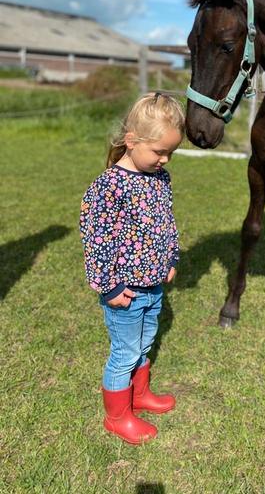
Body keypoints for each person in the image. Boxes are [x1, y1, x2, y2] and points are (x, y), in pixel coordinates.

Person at [80, 91, 185, 444]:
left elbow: (166, 222)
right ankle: (117, 416)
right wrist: (108, 287)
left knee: (144, 344)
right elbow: (96, 239)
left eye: (171, 152)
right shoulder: (109, 185)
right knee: (124, 353)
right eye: (159, 151)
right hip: (124, 292)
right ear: (132, 141)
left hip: (153, 286)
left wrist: (171, 257)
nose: (166, 160)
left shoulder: (159, 179)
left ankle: (139, 396)